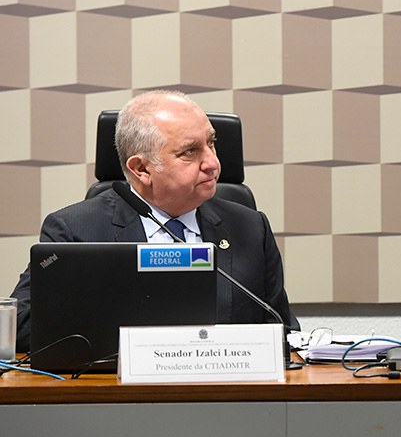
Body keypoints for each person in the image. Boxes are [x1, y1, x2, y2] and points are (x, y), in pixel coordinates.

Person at [10, 90, 298, 352]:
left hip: (227, 396)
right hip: (118, 399)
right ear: (141, 169)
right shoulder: (76, 231)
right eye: (190, 152)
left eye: (211, 143)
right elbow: (19, 330)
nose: (212, 163)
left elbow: (283, 333)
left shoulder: (250, 228)